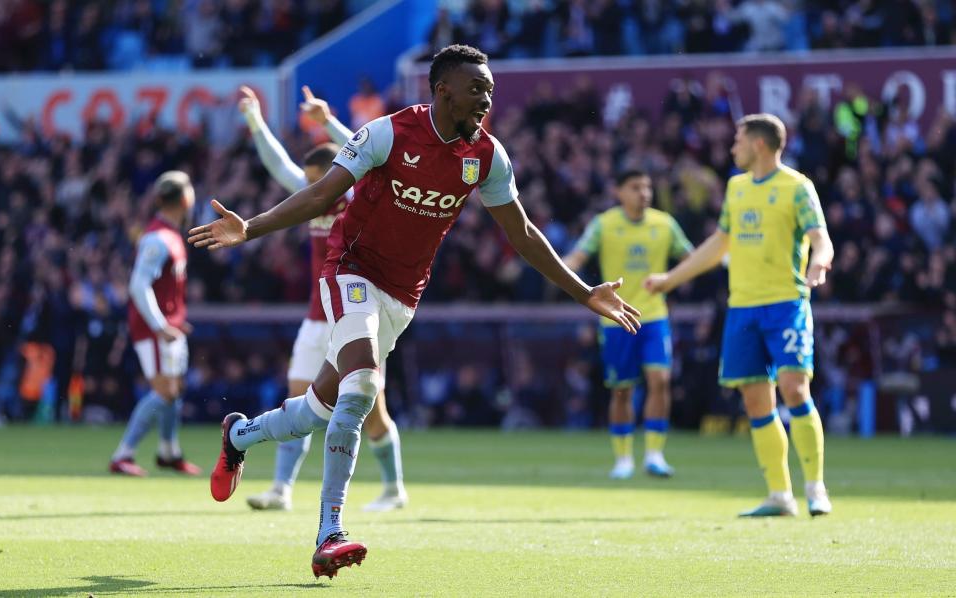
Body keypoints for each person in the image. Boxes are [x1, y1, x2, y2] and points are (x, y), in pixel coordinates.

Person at [188, 44, 641, 578]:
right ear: (443, 89)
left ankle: (239, 436)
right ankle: (329, 531)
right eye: (477, 88)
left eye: (490, 90)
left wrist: (584, 291)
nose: (486, 98)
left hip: (402, 298)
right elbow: (320, 194)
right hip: (350, 271)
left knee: (317, 409)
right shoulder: (389, 133)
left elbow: (521, 232)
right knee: (360, 390)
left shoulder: (487, 157)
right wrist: (252, 227)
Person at [645, 113, 834, 518]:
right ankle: (780, 495)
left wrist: (818, 264)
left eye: (738, 141)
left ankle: (815, 488)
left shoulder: (797, 187)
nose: (733, 148)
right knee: (755, 402)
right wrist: (670, 279)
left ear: (759, 145)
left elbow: (821, 238)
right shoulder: (736, 188)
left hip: (786, 304)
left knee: (795, 388)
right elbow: (718, 244)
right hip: (742, 309)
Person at [237, 85, 407, 512]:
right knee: (298, 401)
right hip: (317, 318)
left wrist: (328, 120)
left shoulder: (358, 194)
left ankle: (393, 489)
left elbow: (370, 148)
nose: (312, 192)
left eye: (317, 182)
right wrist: (256, 121)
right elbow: (279, 166)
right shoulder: (313, 192)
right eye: (310, 184)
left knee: (371, 412)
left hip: (358, 312)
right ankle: (281, 489)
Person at [564, 169, 692, 480]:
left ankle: (654, 455)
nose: (644, 193)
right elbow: (577, 258)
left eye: (647, 187)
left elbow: (691, 257)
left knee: (660, 381)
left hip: (654, 316)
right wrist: (559, 271)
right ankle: (623, 459)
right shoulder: (604, 225)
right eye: (635, 187)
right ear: (618, 192)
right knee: (622, 391)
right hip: (615, 320)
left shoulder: (664, 224)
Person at [109, 171, 201, 477]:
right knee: (164, 390)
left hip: (169, 325)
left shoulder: (170, 235)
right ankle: (123, 454)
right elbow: (138, 285)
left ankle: (168, 451)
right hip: (154, 328)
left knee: (174, 390)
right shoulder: (158, 238)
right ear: (186, 199)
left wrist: (173, 319)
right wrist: (161, 324)